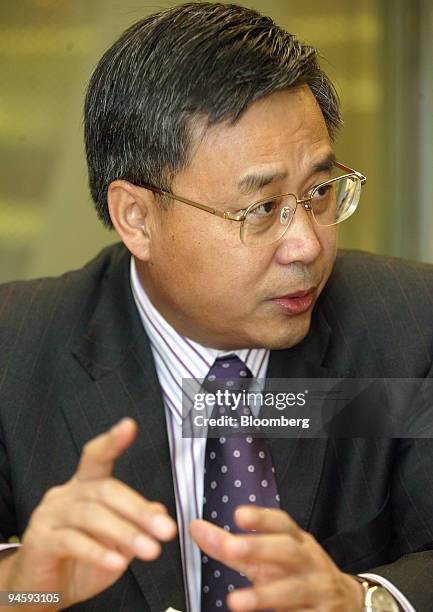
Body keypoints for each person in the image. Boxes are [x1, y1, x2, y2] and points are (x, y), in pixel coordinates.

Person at [0, 2, 432, 611]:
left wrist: (363, 600)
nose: (307, 243)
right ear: (137, 218)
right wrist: (23, 592)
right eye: (260, 209)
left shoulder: (411, 327)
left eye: (319, 191)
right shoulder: (12, 352)